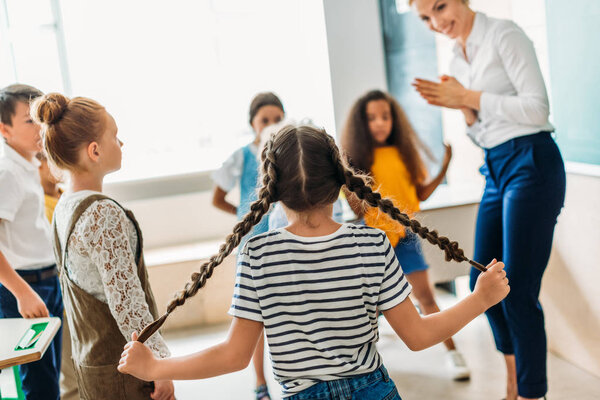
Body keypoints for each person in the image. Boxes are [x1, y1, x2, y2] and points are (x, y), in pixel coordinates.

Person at [118, 125, 509, 400]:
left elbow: (233, 356)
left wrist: (155, 369)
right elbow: (418, 336)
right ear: (340, 181)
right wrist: (480, 299)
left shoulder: (258, 255)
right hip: (374, 391)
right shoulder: (371, 244)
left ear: (272, 190)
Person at [411, 1, 565, 399]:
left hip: (532, 159)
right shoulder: (457, 60)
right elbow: (483, 134)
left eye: (440, 7)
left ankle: (531, 393)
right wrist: (464, 106)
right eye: (425, 18)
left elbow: (537, 109)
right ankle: (514, 383)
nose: (437, 22)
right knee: (479, 281)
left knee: (517, 289)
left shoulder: (504, 35)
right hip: (495, 166)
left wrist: (470, 96)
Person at [32, 92, 175, 400]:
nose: (121, 144)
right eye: (115, 136)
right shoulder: (102, 213)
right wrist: (161, 364)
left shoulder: (64, 206)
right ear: (95, 150)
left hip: (92, 367)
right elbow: (128, 303)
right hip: (126, 371)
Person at [340, 89, 469, 380]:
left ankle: (453, 353)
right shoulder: (359, 160)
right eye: (372, 118)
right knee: (367, 307)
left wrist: (444, 166)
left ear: (394, 120)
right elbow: (357, 208)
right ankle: (358, 366)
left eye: (385, 116)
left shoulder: (404, 155)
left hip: (406, 237)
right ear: (362, 124)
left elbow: (420, 194)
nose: (380, 123)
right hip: (372, 238)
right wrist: (344, 174)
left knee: (425, 296)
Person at [211, 91, 285, 400]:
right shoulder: (241, 156)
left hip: (283, 239)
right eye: (265, 120)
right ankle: (259, 382)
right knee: (255, 318)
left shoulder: (287, 150)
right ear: (252, 123)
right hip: (253, 242)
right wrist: (245, 215)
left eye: (278, 119)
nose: (271, 124)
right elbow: (217, 198)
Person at [0, 83, 63, 400]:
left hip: (48, 281)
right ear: (4, 128)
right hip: (24, 286)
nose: (40, 127)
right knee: (40, 384)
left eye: (40, 117)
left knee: (50, 376)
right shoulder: (7, 172)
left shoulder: (29, 165)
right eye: (29, 120)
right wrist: (22, 293)